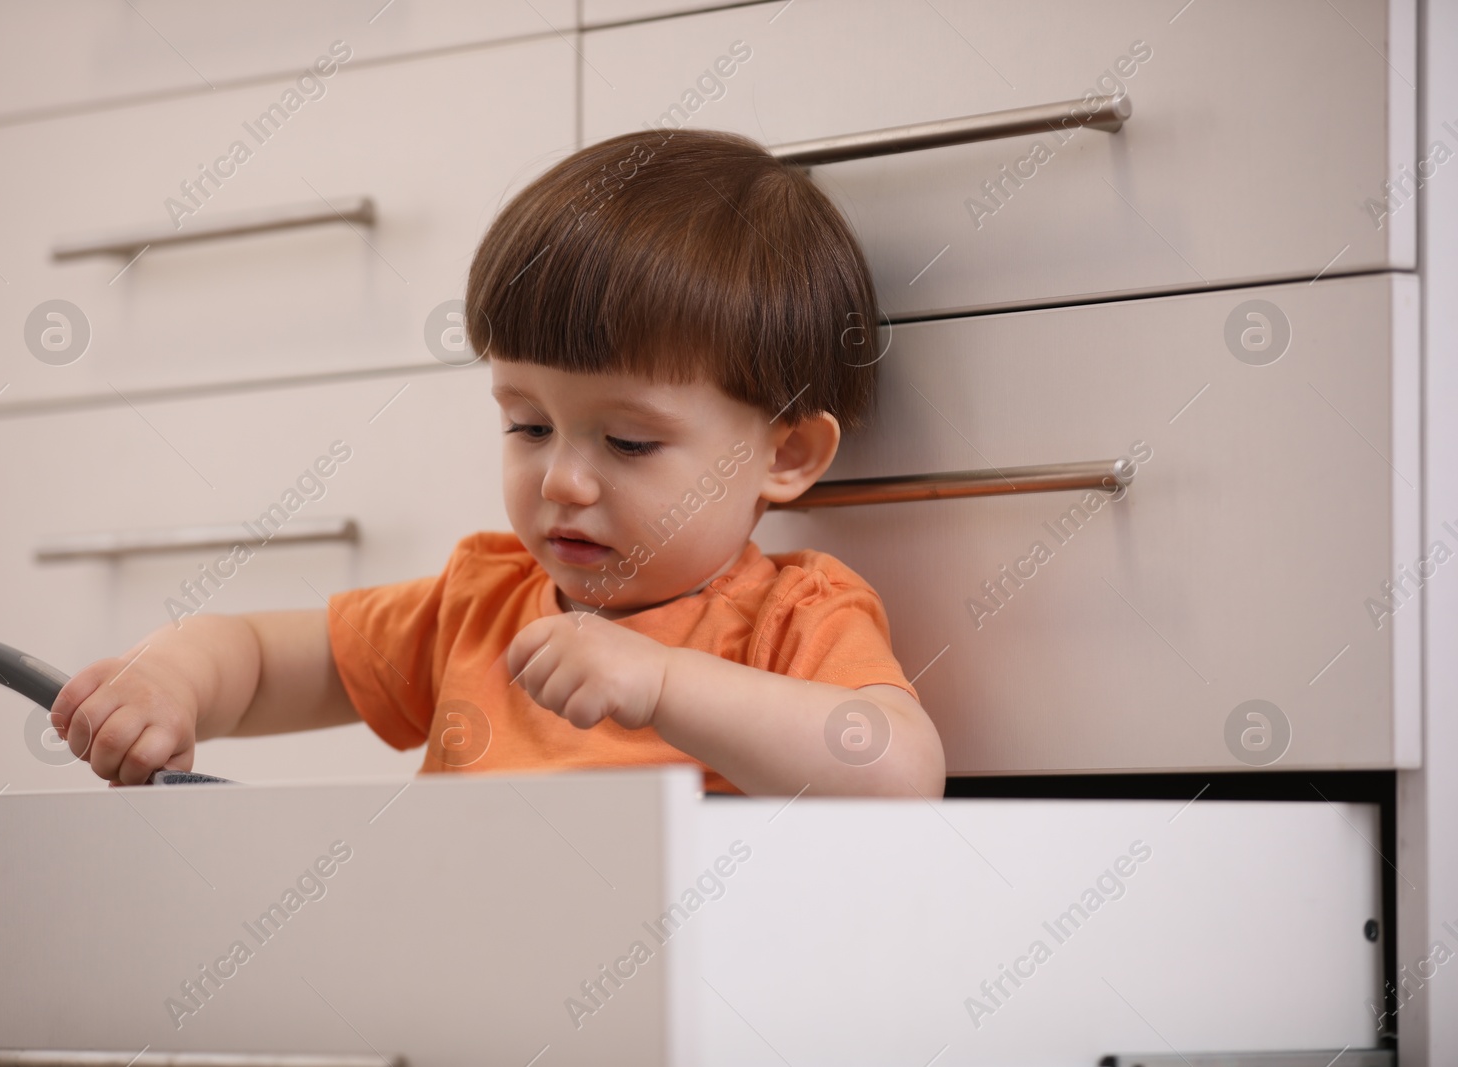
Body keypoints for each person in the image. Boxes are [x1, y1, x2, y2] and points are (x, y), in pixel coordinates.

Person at [50, 128, 946, 798]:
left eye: (628, 442)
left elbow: (902, 774)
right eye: (526, 425)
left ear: (786, 454)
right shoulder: (478, 604)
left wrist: (666, 682)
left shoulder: (788, 617)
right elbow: (254, 654)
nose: (562, 480)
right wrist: (173, 677)